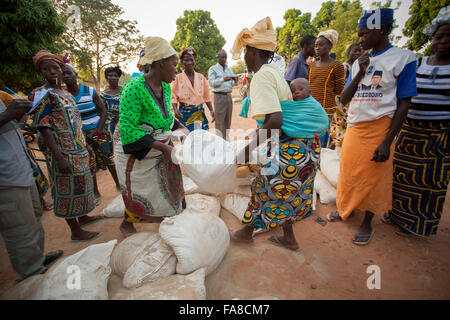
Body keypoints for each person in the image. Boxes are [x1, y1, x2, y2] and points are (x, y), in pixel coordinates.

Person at [228, 17, 326, 251]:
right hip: (304, 148)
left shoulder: (262, 76)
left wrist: (246, 151)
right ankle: (283, 237)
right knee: (276, 191)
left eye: (245, 51)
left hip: (292, 149)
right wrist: (257, 135)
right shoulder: (273, 72)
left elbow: (275, 120)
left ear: (252, 50)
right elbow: (279, 115)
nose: (243, 56)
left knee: (266, 188)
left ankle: (247, 233)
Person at [326, 8, 418, 246]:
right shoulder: (359, 62)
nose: (361, 39)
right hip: (356, 126)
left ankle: (367, 222)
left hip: (381, 125)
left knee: (374, 176)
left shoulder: (404, 58)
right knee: (349, 170)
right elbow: (344, 99)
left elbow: (404, 102)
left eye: (365, 33)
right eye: (359, 34)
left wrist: (388, 141)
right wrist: (360, 73)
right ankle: (346, 208)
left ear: (383, 30)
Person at [385, 6, 450, 237]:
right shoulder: (419, 64)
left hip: (440, 133)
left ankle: (420, 225)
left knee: (431, 180)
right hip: (410, 129)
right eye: (438, 36)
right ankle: (397, 215)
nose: (442, 41)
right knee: (402, 174)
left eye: (448, 37)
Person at [115, 36, 188, 237]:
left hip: (160, 145)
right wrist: (165, 148)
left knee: (170, 184)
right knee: (140, 189)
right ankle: (127, 222)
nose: (176, 70)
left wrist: (183, 130)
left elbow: (165, 117)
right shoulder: (134, 88)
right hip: (136, 148)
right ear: (161, 63)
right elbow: (128, 128)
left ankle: (171, 221)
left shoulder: (165, 86)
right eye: (174, 65)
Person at [30, 50, 102, 241]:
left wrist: (84, 144)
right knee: (66, 189)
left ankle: (84, 217)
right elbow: (44, 127)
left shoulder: (65, 93)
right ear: (41, 72)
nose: (52, 72)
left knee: (82, 185)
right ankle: (75, 230)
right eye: (46, 69)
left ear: (62, 69)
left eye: (55, 68)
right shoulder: (41, 94)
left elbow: (74, 120)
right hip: (61, 151)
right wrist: (59, 156)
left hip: (77, 149)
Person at [0, 98, 64, 282]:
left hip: (21, 170)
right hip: (6, 180)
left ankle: (36, 259)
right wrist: (6, 115)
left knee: (34, 217)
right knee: (18, 227)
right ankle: (31, 274)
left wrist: (18, 115)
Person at [63, 64, 121, 205]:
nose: (66, 76)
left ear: (76, 75)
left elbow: (103, 111)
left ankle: (119, 185)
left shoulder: (89, 91)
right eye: (63, 74)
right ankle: (95, 192)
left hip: (99, 130)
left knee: (109, 159)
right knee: (90, 162)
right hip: (80, 135)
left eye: (69, 73)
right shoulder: (64, 96)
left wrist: (99, 130)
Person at [308, 30, 345, 148]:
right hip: (310, 109)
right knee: (308, 142)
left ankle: (318, 165)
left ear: (330, 46)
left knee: (319, 145)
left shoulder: (337, 66)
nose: (317, 48)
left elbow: (339, 90)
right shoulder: (312, 65)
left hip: (325, 112)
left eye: (321, 45)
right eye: (315, 46)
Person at [171, 47, 215, 131]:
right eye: (186, 60)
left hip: (199, 114)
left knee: (200, 138)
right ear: (182, 61)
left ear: (194, 60)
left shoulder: (201, 77)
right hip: (184, 115)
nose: (189, 63)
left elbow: (206, 96)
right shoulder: (177, 78)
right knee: (187, 139)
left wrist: (212, 110)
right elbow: (173, 96)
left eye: (191, 60)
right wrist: (175, 110)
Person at [330, 43, 362, 148]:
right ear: (349, 52)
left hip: (353, 101)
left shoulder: (359, 65)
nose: (357, 53)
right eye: (355, 51)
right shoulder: (345, 66)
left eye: (359, 51)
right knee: (340, 125)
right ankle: (336, 145)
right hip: (343, 101)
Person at [208, 49, 237, 140]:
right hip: (219, 96)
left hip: (228, 96)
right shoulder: (213, 69)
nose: (224, 59)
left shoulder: (229, 69)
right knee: (220, 122)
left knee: (228, 121)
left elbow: (232, 84)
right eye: (222, 57)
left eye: (225, 57)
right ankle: (219, 142)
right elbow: (212, 83)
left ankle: (226, 141)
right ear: (218, 57)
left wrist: (234, 81)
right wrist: (223, 79)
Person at [101, 66, 122, 135]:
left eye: (116, 76)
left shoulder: (125, 90)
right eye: (110, 75)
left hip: (123, 123)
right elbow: (102, 111)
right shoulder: (103, 95)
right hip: (109, 125)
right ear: (106, 78)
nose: (113, 77)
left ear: (119, 77)